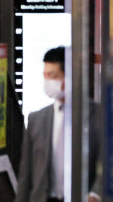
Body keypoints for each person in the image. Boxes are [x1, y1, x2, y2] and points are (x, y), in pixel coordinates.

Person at [16, 47, 101, 202]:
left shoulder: (98, 116)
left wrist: (95, 194)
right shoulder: (37, 119)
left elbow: (106, 163)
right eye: (45, 75)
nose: (48, 82)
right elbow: (26, 174)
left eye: (53, 76)